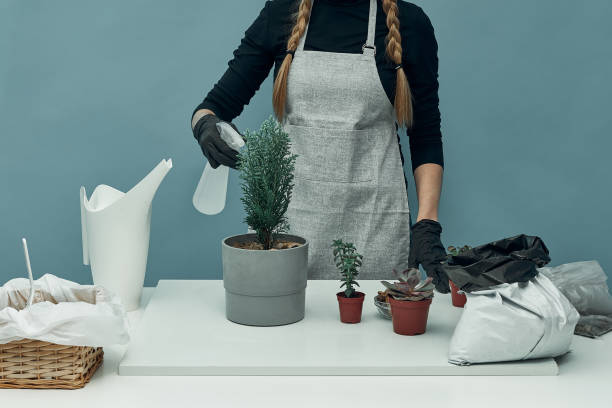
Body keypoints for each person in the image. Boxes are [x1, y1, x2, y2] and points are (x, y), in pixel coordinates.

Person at [192, 0, 449, 292]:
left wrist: (427, 222)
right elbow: (213, 106)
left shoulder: (408, 23)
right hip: (286, 223)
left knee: (371, 331)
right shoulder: (281, 14)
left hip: (375, 224)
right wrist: (205, 127)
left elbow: (425, 134)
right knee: (279, 321)